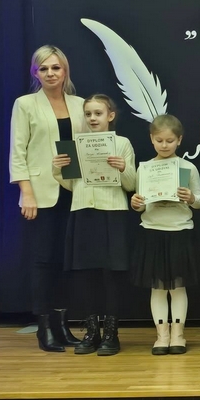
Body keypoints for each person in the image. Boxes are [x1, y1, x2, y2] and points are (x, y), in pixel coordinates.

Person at [9, 45, 86, 352]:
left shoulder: (80, 104)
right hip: (40, 194)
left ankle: (63, 325)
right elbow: (18, 151)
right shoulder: (25, 104)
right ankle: (45, 328)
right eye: (44, 68)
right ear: (35, 73)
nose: (51, 73)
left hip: (75, 191)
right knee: (44, 261)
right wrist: (26, 192)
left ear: (65, 71)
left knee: (66, 262)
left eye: (56, 67)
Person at [51, 94, 136, 356]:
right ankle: (91, 332)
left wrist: (122, 168)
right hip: (82, 211)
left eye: (98, 113)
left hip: (112, 213)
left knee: (111, 276)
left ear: (110, 115)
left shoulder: (122, 143)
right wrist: (58, 169)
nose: (92, 118)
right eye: (88, 114)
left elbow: (131, 185)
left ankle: (111, 334)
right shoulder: (74, 144)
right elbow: (71, 184)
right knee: (85, 275)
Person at [129, 114, 200, 355]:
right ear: (151, 139)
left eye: (170, 141)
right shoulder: (144, 168)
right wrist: (136, 204)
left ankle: (178, 334)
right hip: (152, 231)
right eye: (159, 140)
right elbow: (141, 204)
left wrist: (191, 198)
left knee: (178, 287)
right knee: (158, 288)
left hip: (179, 230)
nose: (164, 145)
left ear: (179, 140)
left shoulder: (188, 167)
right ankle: (161, 335)